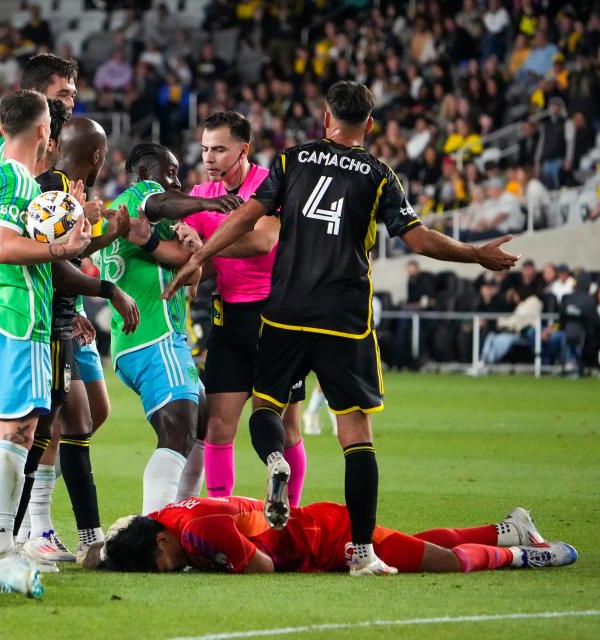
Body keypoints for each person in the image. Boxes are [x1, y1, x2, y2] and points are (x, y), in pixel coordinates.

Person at [164, 81, 518, 576]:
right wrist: (475, 253)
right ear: (369, 126)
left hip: (283, 314)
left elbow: (247, 217)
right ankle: (361, 552)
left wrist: (198, 256)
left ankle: (274, 464)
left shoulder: (292, 161)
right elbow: (417, 240)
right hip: (344, 323)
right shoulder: (379, 175)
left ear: (325, 119)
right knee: (356, 436)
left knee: (264, 410)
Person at [0, 89, 91, 567]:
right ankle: (0, 544)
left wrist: (70, 232)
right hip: (19, 322)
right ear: (43, 131)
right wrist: (62, 249)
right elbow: (4, 247)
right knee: (18, 434)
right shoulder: (20, 179)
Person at [97, 142, 243, 515]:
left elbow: (188, 273)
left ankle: (180, 519)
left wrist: (195, 249)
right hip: (153, 336)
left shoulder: (142, 223)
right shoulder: (138, 199)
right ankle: (156, 529)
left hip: (148, 339)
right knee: (179, 429)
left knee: (200, 423)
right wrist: (207, 204)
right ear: (147, 172)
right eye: (171, 171)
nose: (177, 181)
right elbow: (160, 203)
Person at [20, 115, 139, 562]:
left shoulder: (68, 190)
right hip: (47, 326)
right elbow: (53, 264)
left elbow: (66, 255)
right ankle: (31, 533)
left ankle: (69, 535)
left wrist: (108, 234)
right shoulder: (53, 192)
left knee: (74, 423)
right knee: (46, 429)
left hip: (63, 320)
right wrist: (108, 289)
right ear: (97, 157)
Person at [176, 111, 307, 503]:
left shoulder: (269, 185)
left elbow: (263, 241)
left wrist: (204, 246)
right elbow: (200, 261)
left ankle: (291, 516)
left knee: (288, 428)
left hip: (275, 317)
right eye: (204, 150)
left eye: (219, 149)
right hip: (229, 319)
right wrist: (184, 241)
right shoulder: (199, 197)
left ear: (243, 150)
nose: (209, 158)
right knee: (218, 427)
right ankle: (220, 515)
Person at [90, 496, 577, 575]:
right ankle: (509, 526)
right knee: (411, 542)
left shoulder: (199, 531)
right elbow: (110, 544)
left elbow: (260, 568)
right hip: (314, 530)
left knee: (440, 562)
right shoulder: (164, 519)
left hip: (325, 535)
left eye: (164, 566)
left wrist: (200, 564)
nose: (171, 571)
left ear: (161, 544)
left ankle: (519, 555)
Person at [0, 53, 78, 161]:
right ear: (34, 96)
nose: (71, 104)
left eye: (73, 96)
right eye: (63, 95)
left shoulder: (70, 150)